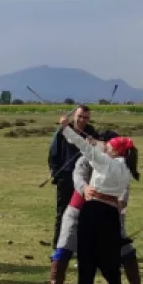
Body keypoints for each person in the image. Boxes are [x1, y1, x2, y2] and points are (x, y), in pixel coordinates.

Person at [47, 129, 143, 284]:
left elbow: (124, 189)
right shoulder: (87, 159)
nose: (105, 146)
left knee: (123, 248)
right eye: (105, 143)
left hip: (107, 212)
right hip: (78, 208)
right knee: (64, 247)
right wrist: (84, 187)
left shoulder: (119, 165)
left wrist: (120, 202)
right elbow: (77, 175)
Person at [48, 105, 97, 251]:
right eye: (80, 116)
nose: (82, 120)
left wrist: (94, 143)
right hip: (66, 177)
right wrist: (56, 174)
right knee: (63, 212)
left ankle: (79, 246)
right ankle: (58, 247)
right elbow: (53, 154)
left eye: (86, 117)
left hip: (84, 180)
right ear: (74, 116)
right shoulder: (63, 130)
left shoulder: (91, 132)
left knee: (84, 213)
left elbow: (99, 154)